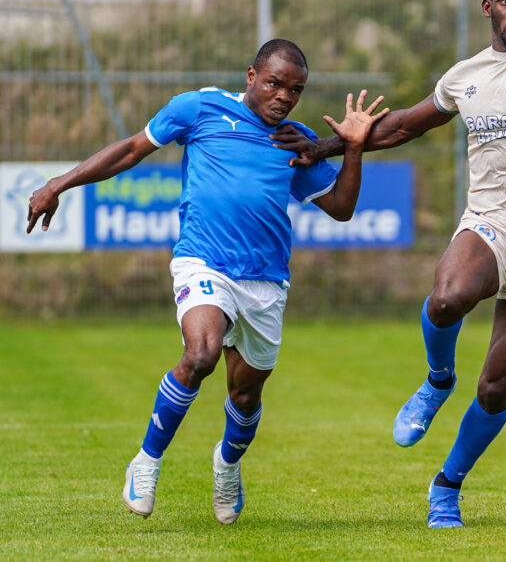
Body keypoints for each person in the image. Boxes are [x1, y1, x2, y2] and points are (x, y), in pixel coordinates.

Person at [272, 0, 506, 527]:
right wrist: (328, 146)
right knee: (449, 296)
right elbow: (405, 125)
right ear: (487, 6)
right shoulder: (466, 76)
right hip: (490, 222)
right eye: (505, 0)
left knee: (498, 386)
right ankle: (436, 380)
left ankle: (446, 486)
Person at [25, 39, 387, 524]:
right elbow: (131, 150)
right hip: (204, 262)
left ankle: (227, 464)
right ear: (251, 76)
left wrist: (355, 147)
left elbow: (341, 208)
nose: (284, 96)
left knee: (246, 395)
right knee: (201, 354)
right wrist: (58, 184)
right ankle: (146, 461)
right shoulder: (200, 108)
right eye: (274, 83)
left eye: (295, 90)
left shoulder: (292, 140)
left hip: (266, 282)